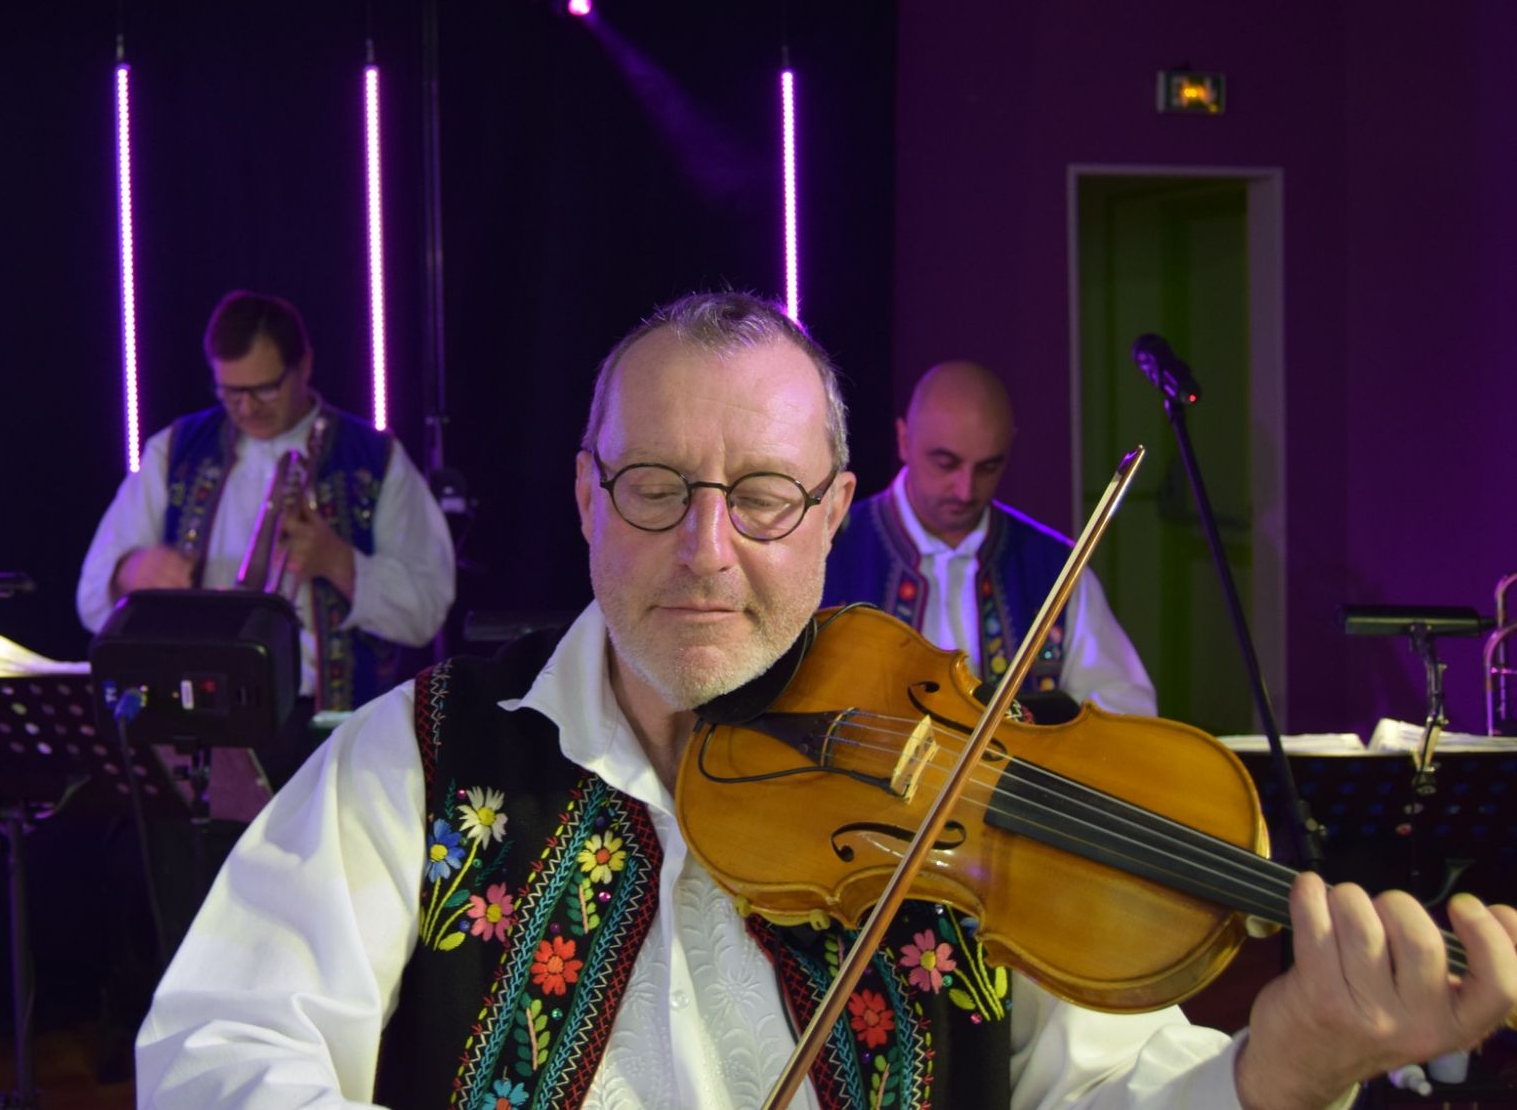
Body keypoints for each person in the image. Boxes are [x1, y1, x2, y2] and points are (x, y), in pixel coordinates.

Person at [136, 291, 1517, 1110]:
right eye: (655, 488)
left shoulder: (976, 812)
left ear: (834, 510)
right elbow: (217, 1049)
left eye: (762, 496)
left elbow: (1114, 1096)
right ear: (585, 495)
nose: (705, 550)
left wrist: (1284, 1067)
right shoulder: (419, 756)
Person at [78, 289, 455, 716]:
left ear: (304, 366)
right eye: (230, 392)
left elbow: (426, 611)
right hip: (201, 715)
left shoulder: (374, 458)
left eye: (265, 390)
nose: (246, 408)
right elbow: (90, 596)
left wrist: (339, 562)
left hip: (330, 721)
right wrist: (129, 572)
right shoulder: (175, 451)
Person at [823, 361, 1157, 716]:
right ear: (904, 440)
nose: (965, 490)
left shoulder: (1054, 567)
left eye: (988, 467)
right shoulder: (829, 545)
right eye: (946, 463)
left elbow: (1127, 709)